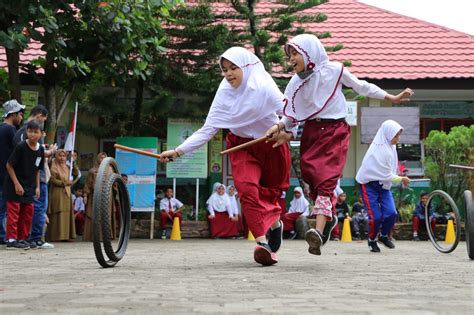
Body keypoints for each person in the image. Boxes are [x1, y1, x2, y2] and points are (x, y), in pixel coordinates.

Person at [266, 33, 413, 256]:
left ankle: (318, 230)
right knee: (309, 174)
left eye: (295, 53)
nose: (291, 59)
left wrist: (390, 98)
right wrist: (282, 128)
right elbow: (291, 115)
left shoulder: (334, 70)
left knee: (325, 179)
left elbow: (361, 87)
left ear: (309, 52)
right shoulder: (295, 84)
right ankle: (330, 217)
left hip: (335, 131)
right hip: (312, 132)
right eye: (290, 55)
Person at [159, 47, 296, 266]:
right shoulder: (224, 93)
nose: (228, 74)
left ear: (246, 66)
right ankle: (262, 244)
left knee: (270, 194)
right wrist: (177, 151)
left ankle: (275, 225)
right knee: (247, 189)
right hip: (241, 147)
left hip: (271, 144)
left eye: (233, 68)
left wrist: (289, 133)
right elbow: (208, 129)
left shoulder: (264, 87)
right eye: (224, 70)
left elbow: (292, 112)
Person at [356, 120, 410, 253]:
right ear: (387, 134)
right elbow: (386, 174)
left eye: (398, 136)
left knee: (392, 213)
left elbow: (388, 173)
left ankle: (383, 235)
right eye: (395, 136)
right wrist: (401, 178)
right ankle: (372, 240)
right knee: (376, 217)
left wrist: (399, 177)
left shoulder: (391, 147)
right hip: (368, 185)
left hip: (383, 186)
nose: (398, 139)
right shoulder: (379, 150)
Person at [13, 104, 57, 249]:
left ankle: (29, 238)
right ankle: (35, 238)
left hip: (32, 176)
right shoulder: (30, 131)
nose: (34, 134)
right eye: (43, 120)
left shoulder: (21, 131)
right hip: (33, 177)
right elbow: (33, 153)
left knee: (31, 209)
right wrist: (50, 152)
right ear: (39, 116)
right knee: (38, 208)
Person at [4, 120, 44, 249]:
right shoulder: (21, 146)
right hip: (14, 184)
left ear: (41, 134)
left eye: (35, 132)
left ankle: (23, 238)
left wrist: (37, 186)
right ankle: (11, 239)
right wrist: (16, 184)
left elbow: (38, 169)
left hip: (29, 186)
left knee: (27, 213)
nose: (32, 134)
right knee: (14, 213)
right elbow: (9, 165)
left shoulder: (41, 150)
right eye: (30, 131)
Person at [0, 100, 25, 245]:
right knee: (4, 208)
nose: (21, 117)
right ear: (13, 114)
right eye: (19, 114)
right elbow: (18, 152)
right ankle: (3, 236)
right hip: (5, 176)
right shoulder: (11, 131)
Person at [45, 149, 76, 242]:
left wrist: (73, 164)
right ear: (56, 156)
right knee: (58, 212)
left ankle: (65, 236)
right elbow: (52, 180)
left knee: (66, 213)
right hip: (57, 192)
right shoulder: (53, 166)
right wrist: (64, 183)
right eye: (60, 156)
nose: (62, 158)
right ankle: (56, 236)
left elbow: (76, 174)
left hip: (67, 193)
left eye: (64, 156)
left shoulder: (67, 166)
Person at [83, 152, 107, 241]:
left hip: (105, 196)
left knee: (103, 215)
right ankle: (91, 236)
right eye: (101, 158)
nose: (103, 160)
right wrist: (85, 195)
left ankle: (103, 237)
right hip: (94, 195)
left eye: (104, 158)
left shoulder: (109, 170)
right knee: (92, 215)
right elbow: (88, 184)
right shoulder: (92, 171)